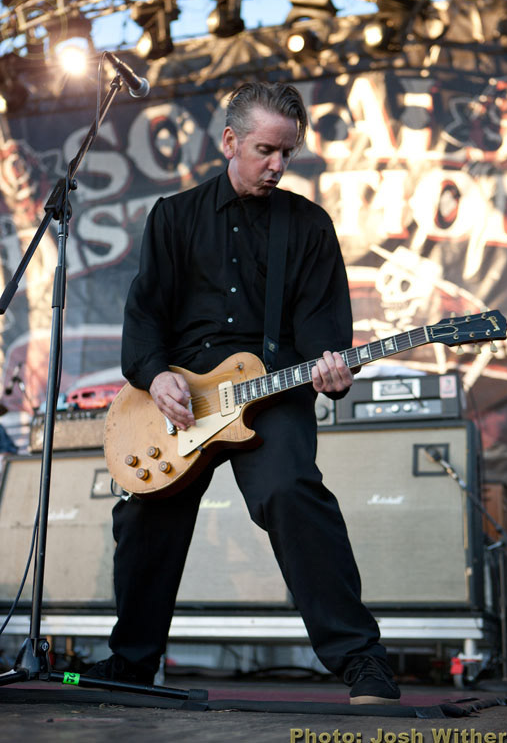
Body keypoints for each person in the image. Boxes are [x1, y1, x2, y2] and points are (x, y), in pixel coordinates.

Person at [89, 82, 400, 705]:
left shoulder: (308, 226)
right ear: (230, 141)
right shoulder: (174, 216)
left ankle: (362, 661)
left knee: (291, 491)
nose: (278, 165)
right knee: (145, 513)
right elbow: (145, 315)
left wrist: (332, 368)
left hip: (272, 394)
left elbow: (323, 336)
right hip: (182, 400)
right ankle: (132, 665)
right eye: (265, 150)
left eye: (288, 153)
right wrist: (156, 375)